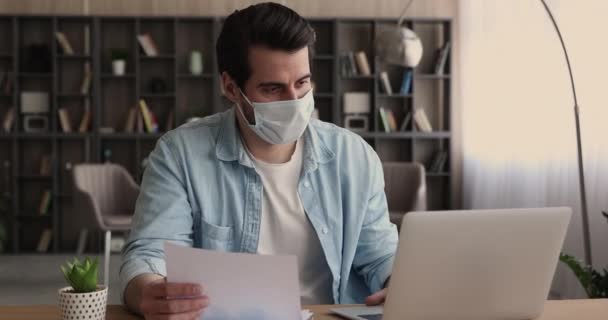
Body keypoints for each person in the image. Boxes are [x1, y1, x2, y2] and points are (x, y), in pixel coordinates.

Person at [121, 2, 398, 319]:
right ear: (231, 87)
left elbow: (379, 253)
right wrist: (147, 291)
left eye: (302, 83)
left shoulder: (355, 157)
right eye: (273, 89)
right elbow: (149, 254)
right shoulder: (179, 155)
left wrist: (397, 282)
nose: (294, 102)